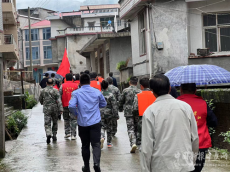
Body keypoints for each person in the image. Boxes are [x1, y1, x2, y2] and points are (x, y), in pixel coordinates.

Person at [140, 74, 199, 172]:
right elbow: (195, 138)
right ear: (169, 88)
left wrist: (145, 169)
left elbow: (147, 147)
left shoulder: (150, 111)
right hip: (184, 165)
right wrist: (191, 161)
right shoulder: (186, 107)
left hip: (161, 166)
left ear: (152, 91)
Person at [69, 74, 107, 172]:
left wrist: (76, 114)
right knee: (96, 144)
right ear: (89, 81)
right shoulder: (97, 91)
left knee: (85, 145)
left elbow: (71, 106)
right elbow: (104, 104)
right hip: (95, 122)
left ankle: (86, 167)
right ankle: (96, 164)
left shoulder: (76, 93)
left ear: (80, 83)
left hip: (83, 123)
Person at [178, 83, 218, 172]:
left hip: (180, 144)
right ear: (195, 90)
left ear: (181, 90)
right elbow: (213, 122)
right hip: (201, 143)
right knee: (197, 168)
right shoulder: (203, 103)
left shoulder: (175, 104)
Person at [119, 76, 141, 153]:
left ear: (129, 82)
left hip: (128, 112)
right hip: (138, 112)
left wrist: (120, 108)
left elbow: (121, 101)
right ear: (137, 83)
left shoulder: (125, 90)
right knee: (137, 128)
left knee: (130, 128)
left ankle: (133, 143)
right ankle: (138, 144)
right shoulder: (139, 91)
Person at [132, 77, 156, 147]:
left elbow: (135, 108)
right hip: (154, 118)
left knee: (141, 138)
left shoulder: (138, 95)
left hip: (141, 119)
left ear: (141, 86)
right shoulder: (155, 94)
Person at [39, 79, 63, 144]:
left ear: (46, 83)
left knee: (47, 123)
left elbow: (40, 99)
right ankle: (54, 135)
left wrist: (42, 103)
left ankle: (48, 134)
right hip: (55, 109)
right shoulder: (55, 90)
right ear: (53, 83)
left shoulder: (43, 90)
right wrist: (61, 109)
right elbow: (59, 100)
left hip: (46, 109)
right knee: (55, 122)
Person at [59, 73, 78, 140]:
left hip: (65, 105)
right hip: (74, 105)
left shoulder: (62, 86)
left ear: (66, 79)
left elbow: (59, 95)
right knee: (73, 120)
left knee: (66, 119)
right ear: (72, 78)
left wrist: (60, 105)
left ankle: (67, 133)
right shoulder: (76, 86)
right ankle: (73, 135)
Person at [100, 80, 118, 149]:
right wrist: (116, 115)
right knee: (109, 128)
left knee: (102, 126)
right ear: (108, 86)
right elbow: (114, 106)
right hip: (109, 114)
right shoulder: (111, 95)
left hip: (100, 113)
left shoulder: (99, 94)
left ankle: (102, 137)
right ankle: (109, 143)